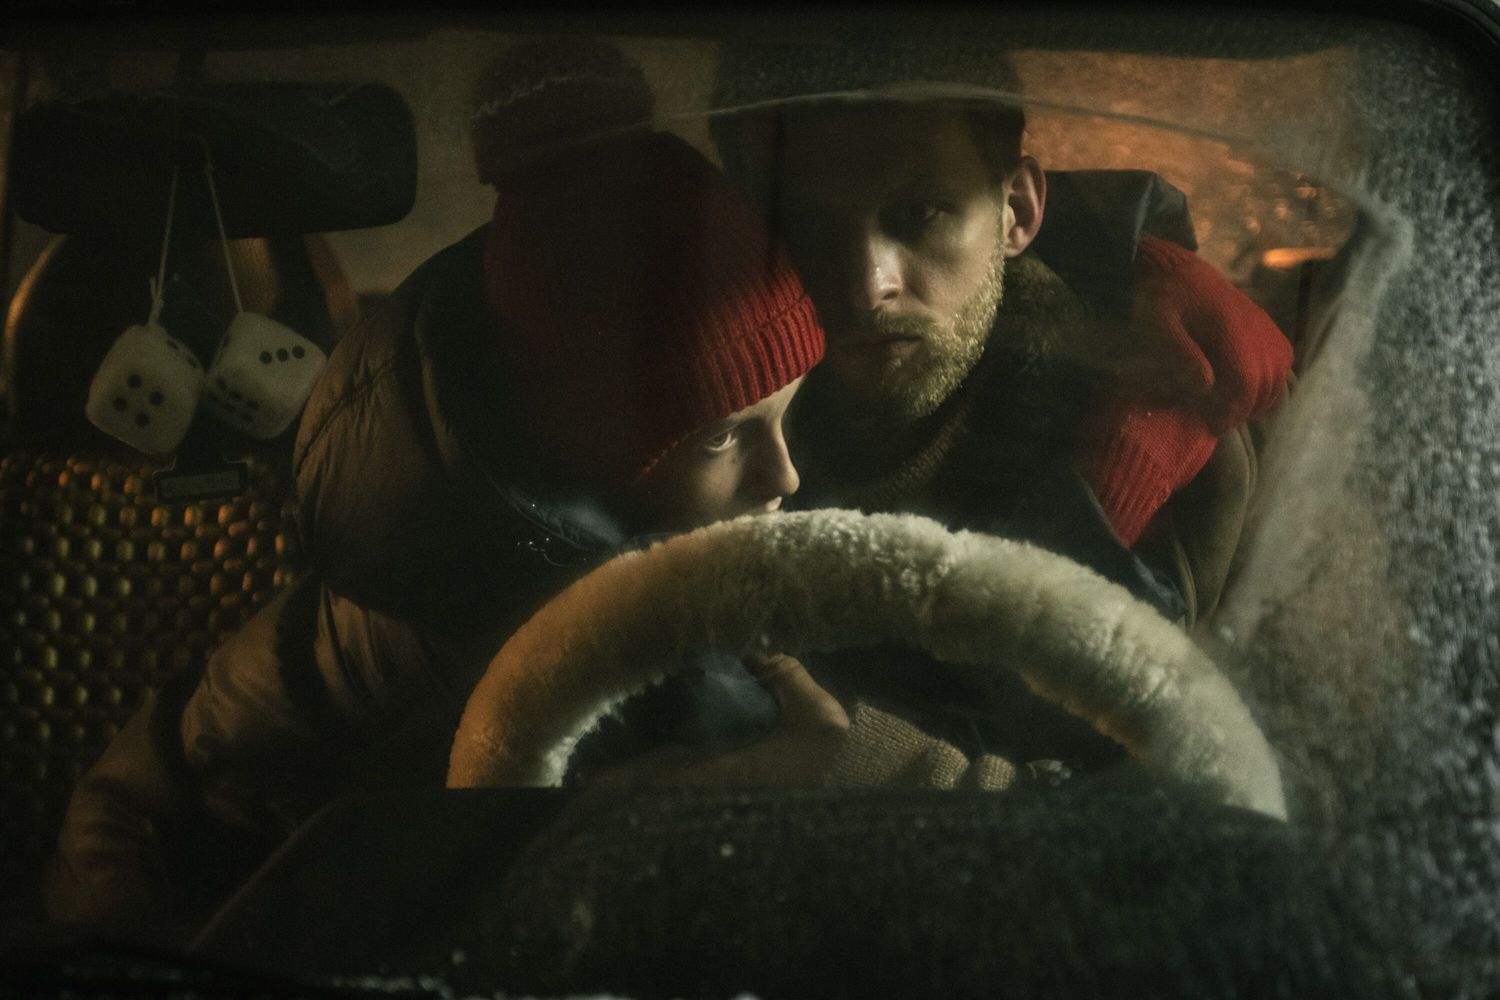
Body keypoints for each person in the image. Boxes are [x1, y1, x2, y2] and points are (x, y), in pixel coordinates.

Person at [45, 77, 831, 943]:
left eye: (786, 416)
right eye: (724, 437)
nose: (787, 475)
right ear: (594, 452)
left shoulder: (484, 541)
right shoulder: (508, 634)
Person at [699, 36, 1295, 777]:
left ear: (1018, 211)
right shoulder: (697, 450)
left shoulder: (1199, 437)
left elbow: (1281, 788)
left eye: (917, 213)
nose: (865, 285)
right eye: (806, 226)